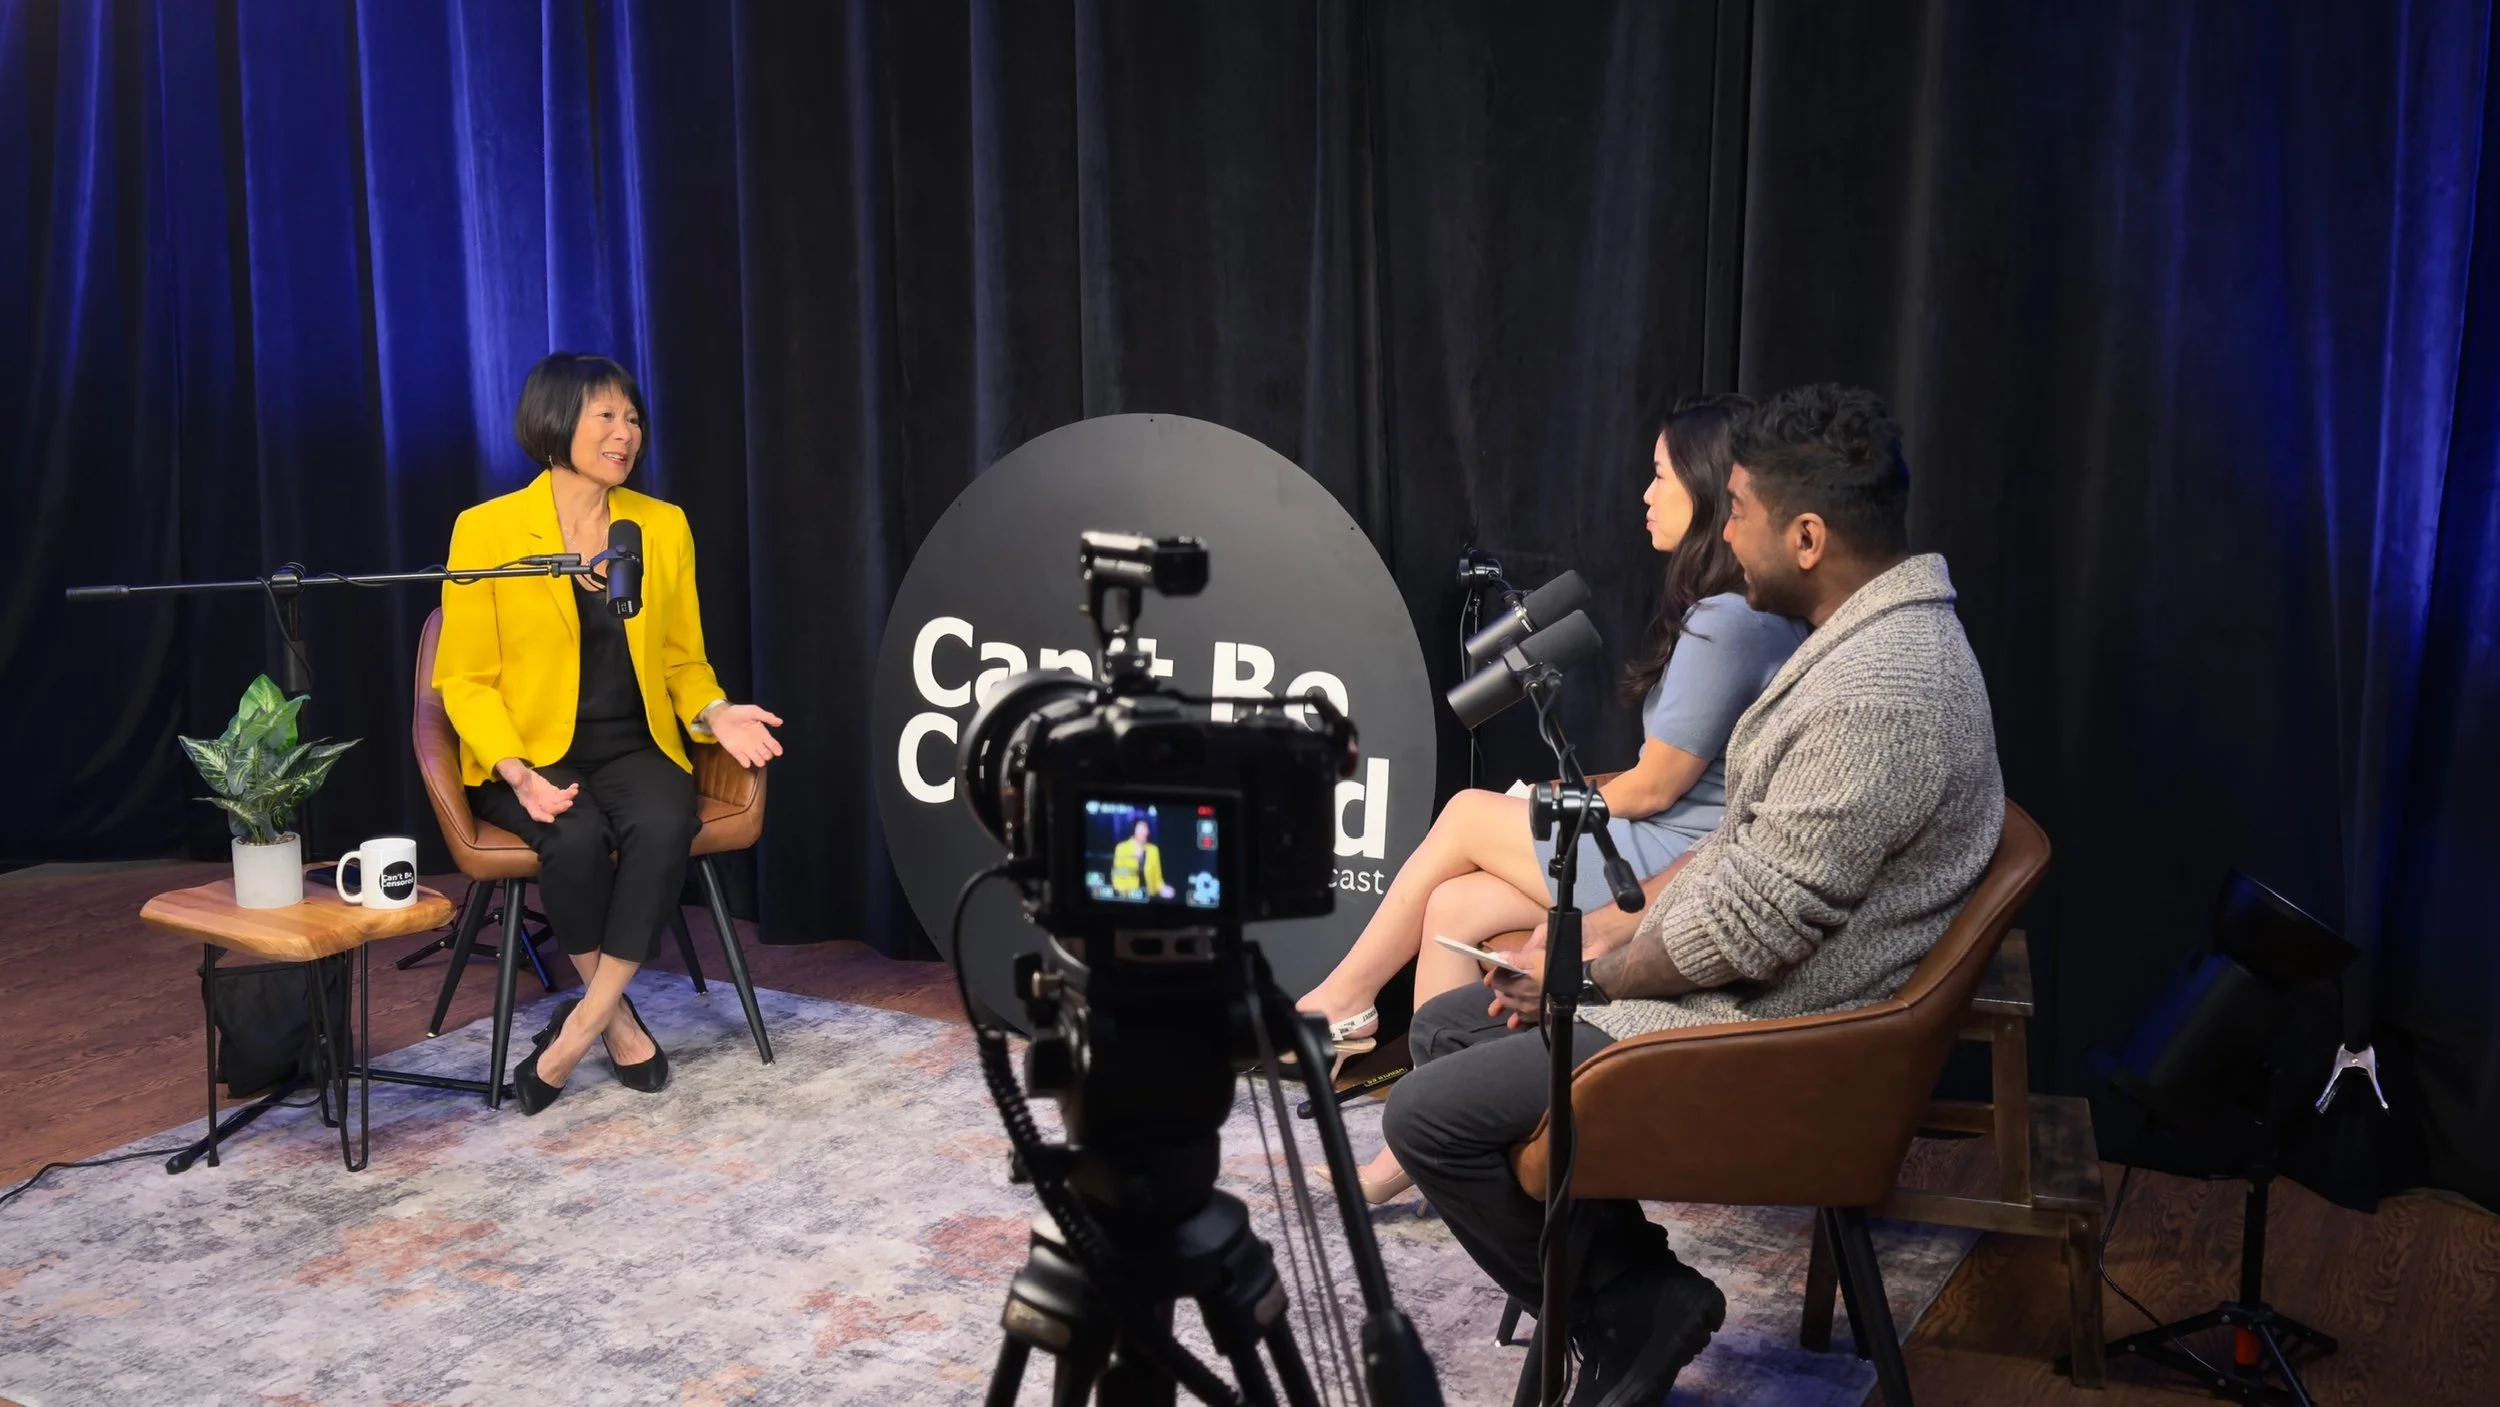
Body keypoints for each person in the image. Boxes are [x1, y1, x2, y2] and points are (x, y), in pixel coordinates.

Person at [1381, 384, 2006, 1406]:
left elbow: (1753, 930)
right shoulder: (1865, 645)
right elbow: (1736, 859)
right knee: (1452, 1029)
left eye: (1742, 514)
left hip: (1771, 1034)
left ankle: (1623, 1306)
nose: (1729, 534)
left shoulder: (1881, 693)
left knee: (1427, 1117)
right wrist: (1576, 948)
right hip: (1751, 994)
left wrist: (1584, 976)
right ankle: (1640, 1294)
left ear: (1805, 535)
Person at [1298, 395, 1808, 1201]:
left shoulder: (1728, 620)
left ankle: (1348, 999)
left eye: (1659, 476)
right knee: (1457, 905)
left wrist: (1566, 797)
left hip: (1674, 865)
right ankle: (1421, 1144)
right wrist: (1564, 790)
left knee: (1467, 815)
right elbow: (1660, 774)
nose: (1645, 494)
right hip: (1667, 835)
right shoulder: (1735, 613)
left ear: (1709, 491)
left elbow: (1660, 786)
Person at [434, 352, 785, 1115]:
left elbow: (681, 658)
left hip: (634, 742)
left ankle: (580, 1023)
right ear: (556, 421)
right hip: (531, 750)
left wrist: (714, 711)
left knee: (665, 821)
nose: (625, 432)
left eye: (631, 417)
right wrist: (515, 767)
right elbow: (464, 678)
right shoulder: (487, 531)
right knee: (573, 836)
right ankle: (619, 1022)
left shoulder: (659, 527)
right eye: (606, 415)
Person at [1111, 817, 1171, 899]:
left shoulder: (1153, 850)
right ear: (1134, 830)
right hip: (1128, 896)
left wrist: (1163, 889)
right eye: (1140, 828)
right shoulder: (1122, 848)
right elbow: (1117, 877)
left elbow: (1157, 878)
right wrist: (1126, 894)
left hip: (1150, 896)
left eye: (1145, 828)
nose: (1143, 832)